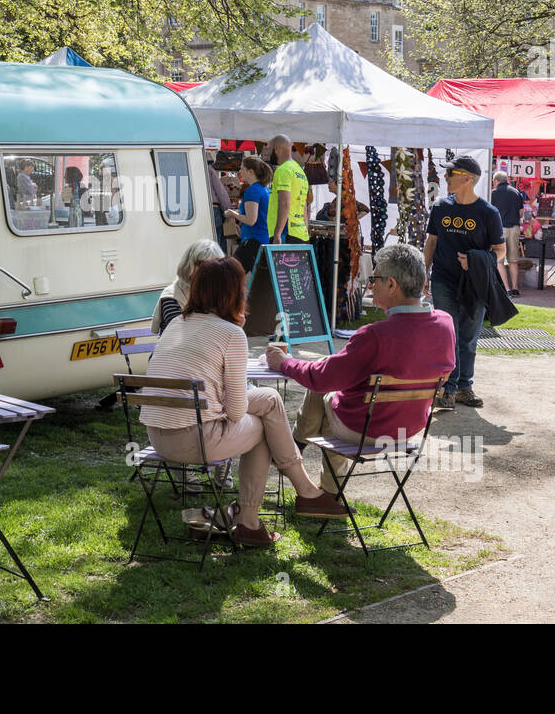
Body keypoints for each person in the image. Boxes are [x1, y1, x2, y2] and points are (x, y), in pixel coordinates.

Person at [142, 257, 342, 547]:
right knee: (264, 422)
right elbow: (236, 412)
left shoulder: (176, 325)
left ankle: (281, 504)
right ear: (231, 293)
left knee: (268, 405)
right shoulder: (230, 333)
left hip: (158, 437)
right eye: (242, 287)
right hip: (193, 440)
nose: (246, 294)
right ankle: (269, 509)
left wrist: (215, 398)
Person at [274, 243, 456, 486]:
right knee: (329, 382)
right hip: (410, 426)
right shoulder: (445, 324)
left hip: (367, 429)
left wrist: (285, 363)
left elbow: (322, 379)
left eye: (374, 278)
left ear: (391, 285)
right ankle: (318, 483)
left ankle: (299, 458)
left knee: (325, 392)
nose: (370, 285)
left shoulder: (375, 335)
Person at [422, 155, 504, 408]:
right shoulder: (440, 207)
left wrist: (476, 260)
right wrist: (424, 271)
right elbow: (431, 241)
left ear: (468, 179)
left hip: (474, 283)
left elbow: (500, 251)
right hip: (443, 279)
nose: (446, 177)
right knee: (448, 335)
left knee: (468, 337)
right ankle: (447, 387)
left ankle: (464, 387)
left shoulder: (489, 213)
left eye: (451, 174)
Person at [150, 238, 223, 335]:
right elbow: (181, 333)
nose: (206, 270)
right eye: (201, 264)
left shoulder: (218, 293)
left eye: (212, 265)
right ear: (189, 265)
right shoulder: (172, 296)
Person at [224, 156, 271, 275]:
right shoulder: (264, 189)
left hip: (252, 240)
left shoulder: (252, 191)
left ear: (251, 172)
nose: (240, 172)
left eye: (242, 169)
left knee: (230, 275)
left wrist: (233, 214)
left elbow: (251, 220)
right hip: (261, 239)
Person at [265, 134, 310, 244]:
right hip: (300, 232)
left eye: (269, 150)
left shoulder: (283, 170)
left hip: (286, 232)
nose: (268, 154)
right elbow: (304, 205)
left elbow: (284, 202)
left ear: (277, 149)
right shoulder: (299, 171)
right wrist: (306, 230)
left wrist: (277, 234)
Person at [490, 171, 528, 296]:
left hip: (499, 229)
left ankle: (507, 289)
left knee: (499, 260)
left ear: (496, 181)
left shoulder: (493, 193)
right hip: (514, 228)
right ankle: (515, 288)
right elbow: (521, 213)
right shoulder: (516, 192)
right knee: (513, 260)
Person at [205, 151, 231, 251]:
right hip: (213, 209)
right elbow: (220, 191)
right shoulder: (209, 169)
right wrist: (227, 208)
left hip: (198, 210)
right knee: (217, 244)